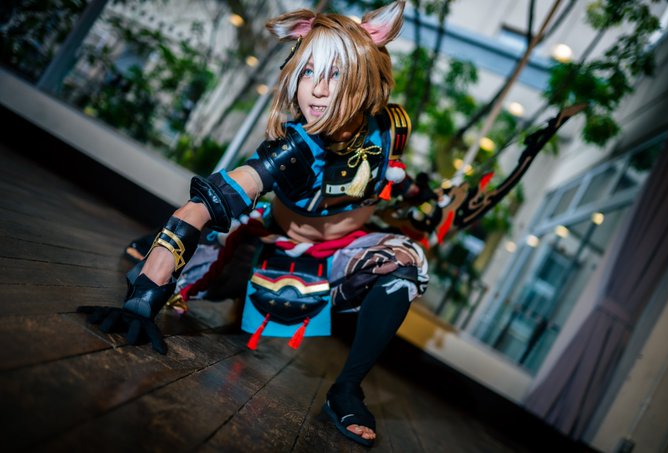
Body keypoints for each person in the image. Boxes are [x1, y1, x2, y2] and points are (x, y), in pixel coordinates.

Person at [80, 1, 434, 446]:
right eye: (308, 71)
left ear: (364, 77)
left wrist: (421, 199)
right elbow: (206, 203)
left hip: (341, 258)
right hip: (268, 249)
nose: (317, 90)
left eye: (335, 74)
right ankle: (167, 251)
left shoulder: (391, 126)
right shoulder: (294, 147)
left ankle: (346, 390)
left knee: (406, 263)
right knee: (189, 274)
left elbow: (390, 177)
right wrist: (143, 300)